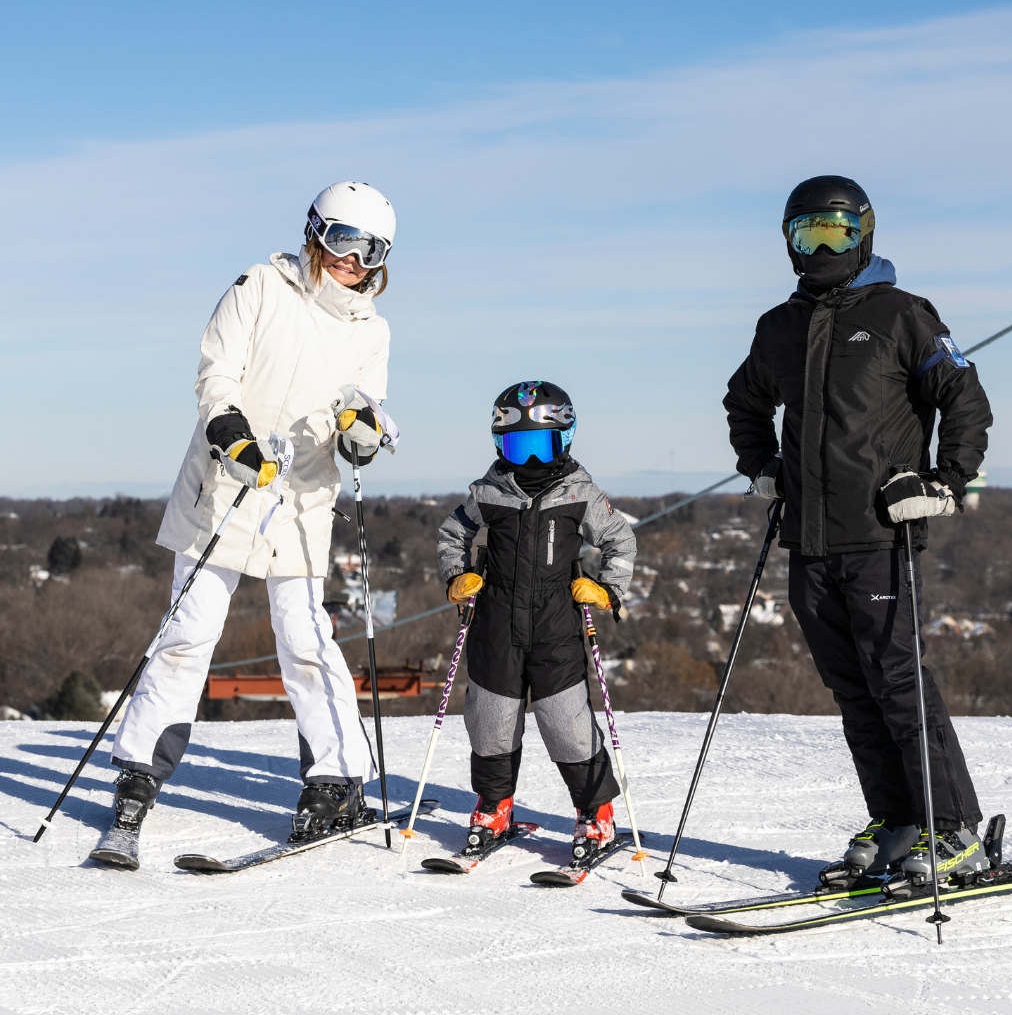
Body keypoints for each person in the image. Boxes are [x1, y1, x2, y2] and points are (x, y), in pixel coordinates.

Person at [723, 176, 995, 897]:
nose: (821, 246)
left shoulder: (902, 314)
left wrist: (944, 480)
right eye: (806, 233)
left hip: (880, 531)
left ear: (865, 235)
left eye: (836, 233)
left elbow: (964, 397)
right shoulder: (778, 326)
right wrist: (762, 468)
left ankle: (955, 829)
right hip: (809, 540)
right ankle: (898, 819)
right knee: (854, 691)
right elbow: (743, 400)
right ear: (788, 243)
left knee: (899, 684)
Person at [106, 182, 399, 848]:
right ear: (315, 233)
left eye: (370, 248)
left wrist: (361, 434)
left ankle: (338, 777)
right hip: (226, 482)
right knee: (189, 628)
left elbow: (364, 407)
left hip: (301, 500)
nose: (353, 259)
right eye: (341, 240)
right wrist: (229, 433)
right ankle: (137, 769)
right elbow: (217, 374)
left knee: (304, 639)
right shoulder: (259, 286)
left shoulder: (371, 330)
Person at [436, 381, 636, 857]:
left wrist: (607, 590)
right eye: (515, 446)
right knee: (490, 720)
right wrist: (457, 576)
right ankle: (494, 805)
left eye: (536, 446)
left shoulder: (581, 494)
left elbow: (620, 541)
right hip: (496, 624)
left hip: (555, 626)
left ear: (562, 439)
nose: (526, 461)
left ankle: (596, 813)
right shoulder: (487, 493)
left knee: (565, 721)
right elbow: (452, 533)